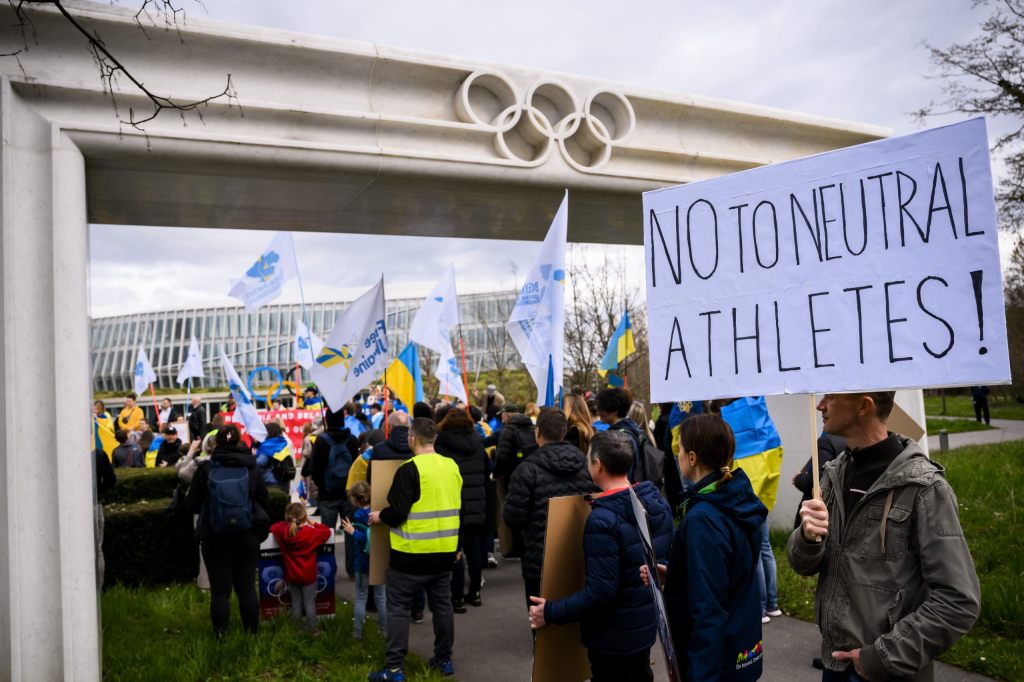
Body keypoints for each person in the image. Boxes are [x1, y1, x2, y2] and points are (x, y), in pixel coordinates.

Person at [789, 392, 981, 681]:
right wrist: (807, 537)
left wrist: (882, 657)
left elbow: (958, 600)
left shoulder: (924, 488)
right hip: (835, 665)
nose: (820, 405)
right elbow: (802, 565)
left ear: (864, 406)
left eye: (829, 397)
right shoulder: (832, 474)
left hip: (887, 671)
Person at [529, 430, 674, 681]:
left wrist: (550, 612)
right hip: (645, 625)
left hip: (613, 637)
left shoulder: (603, 519)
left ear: (598, 465)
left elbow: (601, 592)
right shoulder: (656, 502)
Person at [653, 413, 767, 681]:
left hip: (717, 663)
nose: (677, 454)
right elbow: (729, 571)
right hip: (742, 646)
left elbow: (709, 609)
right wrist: (677, 573)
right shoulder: (737, 497)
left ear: (692, 457)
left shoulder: (703, 518)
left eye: (679, 448)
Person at [368, 418, 462, 681]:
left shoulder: (409, 469)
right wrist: (458, 545)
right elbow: (457, 509)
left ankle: (395, 669)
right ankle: (444, 660)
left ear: (412, 438)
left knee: (398, 609)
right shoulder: (451, 466)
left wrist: (379, 515)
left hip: (410, 556)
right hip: (444, 552)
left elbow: (397, 513)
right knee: (443, 608)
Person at [503, 408, 599, 608]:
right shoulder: (586, 465)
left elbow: (513, 517)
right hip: (579, 552)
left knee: (541, 619)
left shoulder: (527, 470)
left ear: (537, 432)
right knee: (577, 616)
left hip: (539, 559)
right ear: (564, 431)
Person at [185, 424, 269, 637]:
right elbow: (263, 498)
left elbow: (191, 504)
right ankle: (252, 636)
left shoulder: (206, 469)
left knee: (220, 592)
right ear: (239, 441)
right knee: (247, 589)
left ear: (217, 443)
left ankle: (221, 638)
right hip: (247, 533)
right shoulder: (251, 467)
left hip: (215, 536)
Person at [435, 406, 489, 611]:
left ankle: (456, 598)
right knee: (474, 549)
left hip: (453, 504)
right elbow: (487, 471)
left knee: (455, 551)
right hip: (477, 504)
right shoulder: (477, 442)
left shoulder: (441, 443)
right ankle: (475, 592)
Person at [270, 502, 332, 633]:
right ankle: (313, 629)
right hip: (308, 577)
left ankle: (297, 629)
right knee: (309, 604)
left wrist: (287, 522)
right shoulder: (311, 533)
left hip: (292, 576)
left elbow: (274, 526)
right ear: (304, 517)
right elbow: (326, 532)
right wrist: (312, 523)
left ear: (288, 517)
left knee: (296, 604)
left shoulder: (282, 532)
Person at [341, 481, 388, 639]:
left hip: (362, 561)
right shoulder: (378, 512)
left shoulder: (358, 516)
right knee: (381, 597)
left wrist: (352, 532)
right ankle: (383, 630)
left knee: (361, 597)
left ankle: (357, 632)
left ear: (354, 499)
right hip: (379, 559)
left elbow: (363, 539)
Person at [792, 433, 847, 528]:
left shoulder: (827, 441)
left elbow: (816, 481)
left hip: (818, 514)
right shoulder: (854, 441)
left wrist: (798, 478)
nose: (822, 417)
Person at [255, 421, 293, 493]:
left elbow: (261, 462)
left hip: (271, 482)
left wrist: (254, 456)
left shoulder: (268, 445)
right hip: (285, 482)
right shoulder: (283, 442)